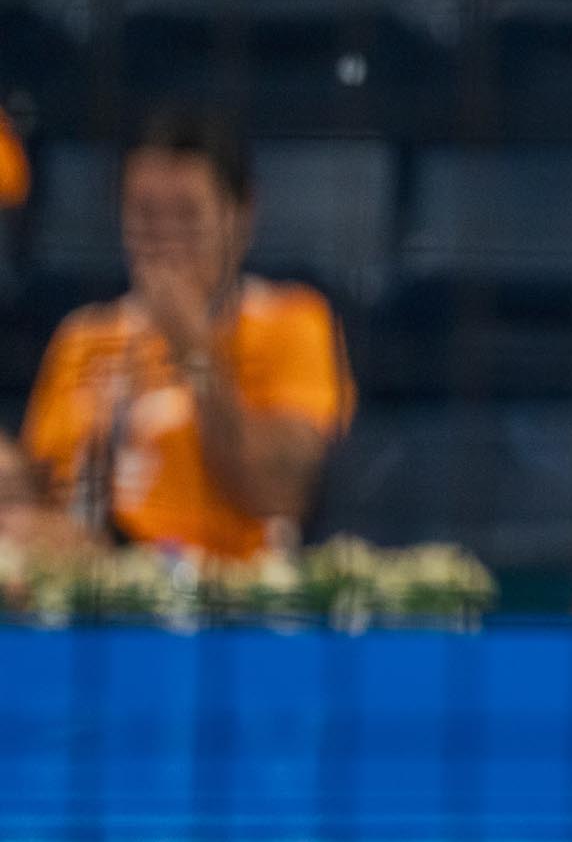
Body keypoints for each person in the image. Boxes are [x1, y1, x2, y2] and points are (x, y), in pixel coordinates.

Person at [10, 109, 353, 565]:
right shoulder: (83, 333)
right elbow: (38, 492)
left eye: (188, 216)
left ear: (241, 215)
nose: (165, 239)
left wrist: (195, 351)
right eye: (145, 215)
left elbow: (280, 492)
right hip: (84, 586)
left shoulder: (291, 319)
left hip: (224, 589)